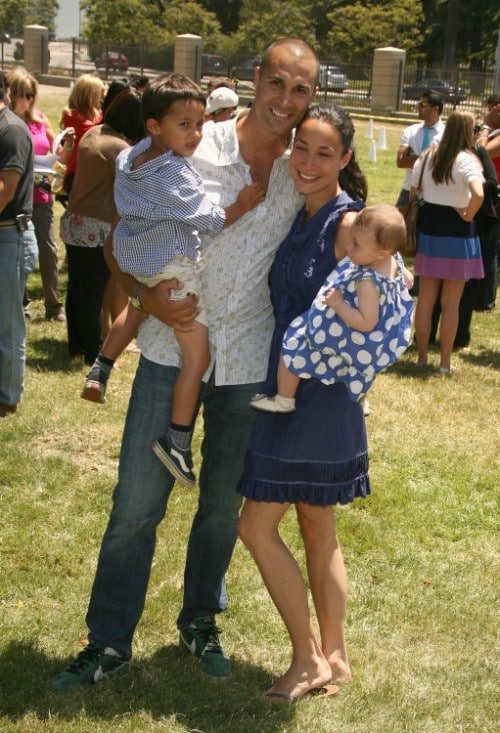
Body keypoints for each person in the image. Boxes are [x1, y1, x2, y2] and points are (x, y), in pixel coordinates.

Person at [50, 37, 320, 692]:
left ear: (313, 97)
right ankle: (108, 638)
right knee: (136, 506)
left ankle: (200, 620)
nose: (287, 100)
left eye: (302, 89)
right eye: (278, 83)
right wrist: (143, 297)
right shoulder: (193, 144)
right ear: (257, 79)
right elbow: (120, 233)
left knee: (222, 509)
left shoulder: (301, 171)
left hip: (248, 361)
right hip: (173, 351)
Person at [237, 103, 370, 703]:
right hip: (295, 389)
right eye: (303, 149)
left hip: (312, 398)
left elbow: (375, 307)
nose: (310, 162)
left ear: (345, 157)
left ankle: (307, 658)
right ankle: (335, 658)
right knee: (317, 522)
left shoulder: (347, 225)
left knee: (255, 526)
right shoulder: (303, 212)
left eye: (324, 152)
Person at [82, 73, 264, 490]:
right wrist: (242, 202)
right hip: (174, 267)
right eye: (184, 125)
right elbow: (211, 220)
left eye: (199, 124)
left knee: (139, 307)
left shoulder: (134, 156)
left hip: (140, 259)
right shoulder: (174, 174)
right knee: (198, 361)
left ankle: (101, 367)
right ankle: (178, 440)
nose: (196, 134)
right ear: (154, 126)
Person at [252, 204, 414, 413]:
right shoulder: (394, 260)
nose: (349, 249)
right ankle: (361, 400)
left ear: (381, 253)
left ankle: (284, 399)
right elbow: (408, 281)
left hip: (360, 332)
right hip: (380, 339)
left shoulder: (367, 282)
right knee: (364, 368)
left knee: (296, 341)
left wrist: (338, 304)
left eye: (356, 245)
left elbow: (366, 322)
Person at [61, 89, 145, 365]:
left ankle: (76, 347)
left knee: (77, 289)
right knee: (94, 294)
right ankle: (94, 353)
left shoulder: (94, 133)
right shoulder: (119, 148)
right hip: (96, 226)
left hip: (74, 221)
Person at [412, 110, 484, 374]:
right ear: (468, 130)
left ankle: (421, 357)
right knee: (451, 303)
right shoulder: (467, 160)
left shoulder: (428, 155)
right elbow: (478, 192)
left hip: (430, 232)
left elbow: (412, 191)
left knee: (426, 299)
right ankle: (444, 363)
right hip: (457, 234)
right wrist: (468, 213)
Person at [8, 68, 74, 322]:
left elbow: (57, 157)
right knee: (18, 250)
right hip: (15, 197)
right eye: (22, 93)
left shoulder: (40, 120)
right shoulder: (8, 124)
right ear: (11, 93)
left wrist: (67, 147)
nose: (26, 99)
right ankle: (21, 302)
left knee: (47, 249)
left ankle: (53, 305)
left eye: (30, 94)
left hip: (41, 193)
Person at [0, 71, 38, 417]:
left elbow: (5, 189)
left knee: (8, 323)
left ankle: (7, 399)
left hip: (9, 235)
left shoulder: (10, 130)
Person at [395, 89, 445, 212]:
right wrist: (431, 160)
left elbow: (443, 163)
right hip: (409, 187)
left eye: (423, 105)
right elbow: (401, 162)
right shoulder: (411, 131)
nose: (418, 107)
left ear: (435, 109)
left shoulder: (447, 134)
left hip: (434, 191)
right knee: (399, 227)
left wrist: (413, 158)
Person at [59, 74, 106, 195]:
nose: (101, 98)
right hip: (75, 173)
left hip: (92, 171)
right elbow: (92, 131)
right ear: (89, 95)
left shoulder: (96, 114)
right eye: (99, 93)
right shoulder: (71, 115)